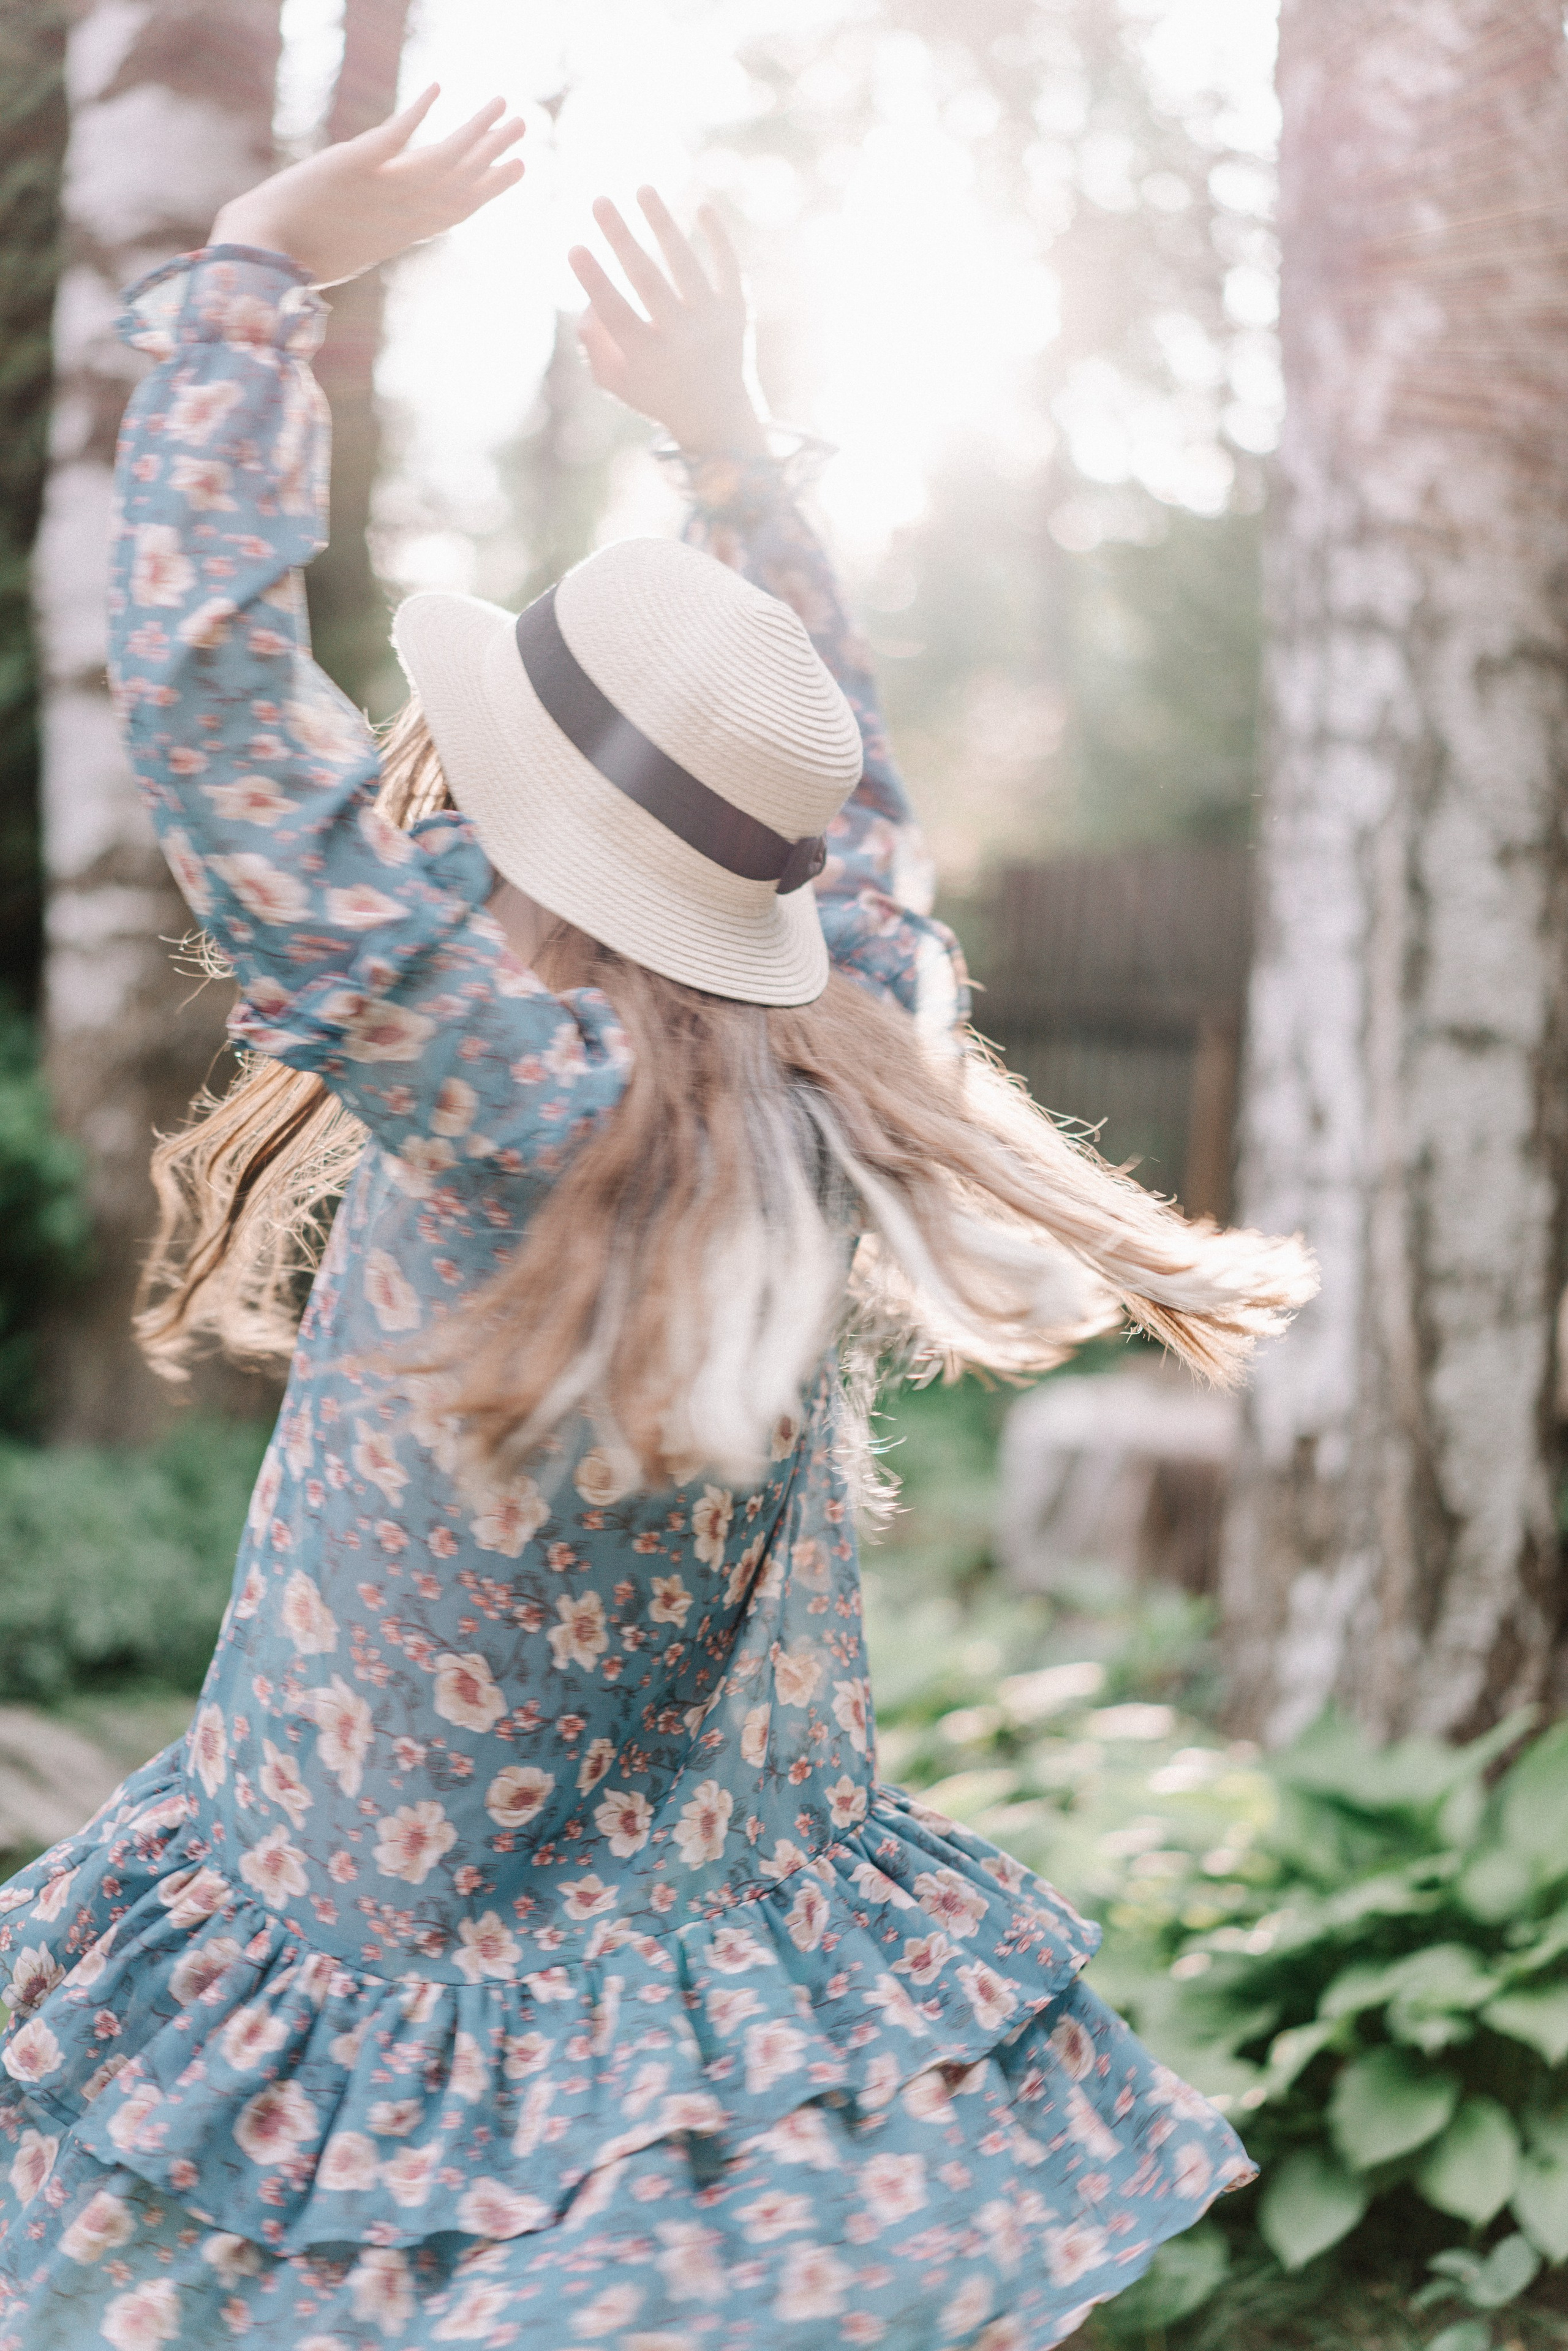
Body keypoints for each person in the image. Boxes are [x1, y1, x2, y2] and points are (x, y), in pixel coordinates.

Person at [0, 89, 1314, 2350]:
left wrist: (252, 285)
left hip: (374, 1958)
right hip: (665, 1954)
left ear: (512, 818)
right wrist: (737, 452)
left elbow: (228, 737)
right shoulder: (836, 1046)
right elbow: (866, 815)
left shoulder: (525, 1100)